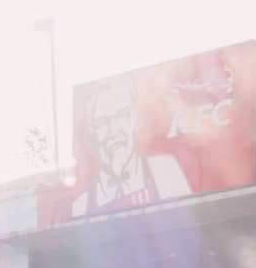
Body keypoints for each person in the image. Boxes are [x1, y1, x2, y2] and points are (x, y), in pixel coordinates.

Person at [70, 74, 192, 217]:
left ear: (135, 115)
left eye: (122, 114)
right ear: (90, 132)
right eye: (102, 122)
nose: (114, 131)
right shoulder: (80, 206)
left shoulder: (165, 171)